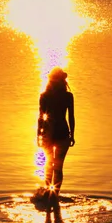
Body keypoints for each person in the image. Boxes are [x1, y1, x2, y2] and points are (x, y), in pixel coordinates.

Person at [36, 67, 75, 198]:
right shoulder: (68, 96)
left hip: (49, 133)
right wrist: (72, 135)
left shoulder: (44, 96)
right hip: (63, 133)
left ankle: (49, 193)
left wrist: (39, 135)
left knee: (49, 165)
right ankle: (55, 195)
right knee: (58, 168)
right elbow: (71, 117)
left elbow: (41, 117)